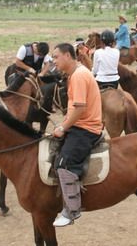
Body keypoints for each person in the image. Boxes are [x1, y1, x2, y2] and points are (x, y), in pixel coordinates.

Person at [51, 43, 103, 227]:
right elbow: (74, 106)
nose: (53, 60)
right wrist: (63, 122)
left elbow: (79, 109)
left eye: (56, 57)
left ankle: (72, 210)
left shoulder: (79, 76)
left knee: (65, 164)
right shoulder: (76, 74)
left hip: (86, 128)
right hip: (80, 124)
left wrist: (63, 127)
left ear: (67, 55)